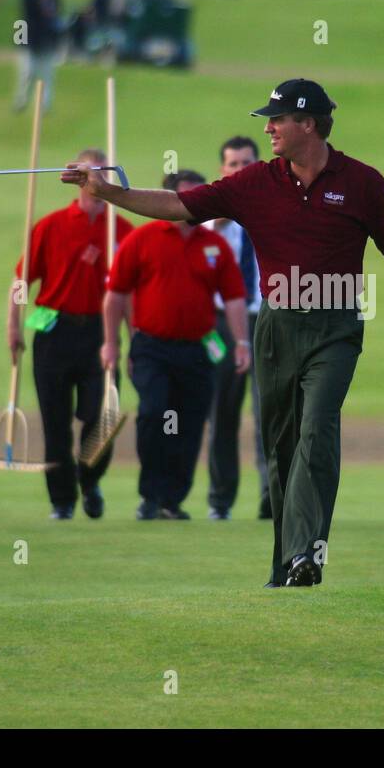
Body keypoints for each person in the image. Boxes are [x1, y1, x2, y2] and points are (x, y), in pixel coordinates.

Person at [64, 78, 384, 586]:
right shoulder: (256, 182)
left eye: (278, 120)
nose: (269, 129)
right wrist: (109, 192)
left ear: (309, 124)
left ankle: (309, 551)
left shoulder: (364, 183)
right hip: (277, 327)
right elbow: (179, 205)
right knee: (281, 444)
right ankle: (286, 564)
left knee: (316, 430)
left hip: (334, 327)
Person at [104, 170, 249, 521]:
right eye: (184, 197)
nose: (191, 204)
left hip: (198, 349)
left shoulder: (214, 246)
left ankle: (172, 499)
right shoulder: (142, 239)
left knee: (189, 422)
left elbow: (233, 298)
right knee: (154, 413)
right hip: (151, 346)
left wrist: (242, 341)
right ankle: (150, 494)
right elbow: (116, 296)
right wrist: (111, 344)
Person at [8, 148, 134, 520]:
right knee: (55, 422)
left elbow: (130, 292)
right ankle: (61, 501)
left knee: (103, 418)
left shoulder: (121, 229)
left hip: (100, 333)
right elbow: (21, 280)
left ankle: (90, 478)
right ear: (76, 178)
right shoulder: (50, 225)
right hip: (54, 331)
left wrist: (133, 337)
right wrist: (13, 325)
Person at [205, 136, 269, 521]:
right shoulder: (215, 216)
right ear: (222, 170)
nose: (239, 170)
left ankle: (270, 495)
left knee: (270, 412)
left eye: (247, 163)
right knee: (222, 413)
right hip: (222, 322)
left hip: (266, 318)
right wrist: (226, 212)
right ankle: (220, 500)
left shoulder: (273, 208)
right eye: (232, 164)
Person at [13, 0, 62, 114]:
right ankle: (21, 101)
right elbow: (24, 19)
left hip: (46, 44)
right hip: (30, 43)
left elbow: (54, 22)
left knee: (47, 76)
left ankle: (45, 105)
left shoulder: (53, 1)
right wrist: (20, 43)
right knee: (27, 74)